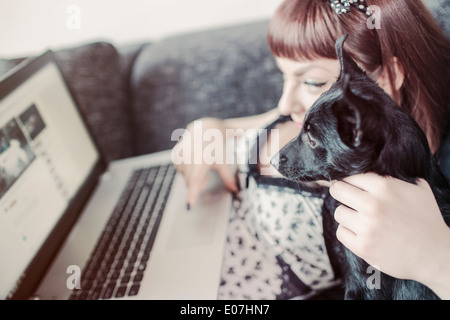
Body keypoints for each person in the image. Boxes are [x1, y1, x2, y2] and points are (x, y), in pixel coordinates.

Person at [173, 0, 450, 299]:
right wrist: (210, 127)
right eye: (284, 75)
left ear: (386, 79)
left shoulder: (407, 167)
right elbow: (257, 123)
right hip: (198, 223)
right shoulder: (319, 115)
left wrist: (437, 261)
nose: (284, 104)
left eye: (312, 81)